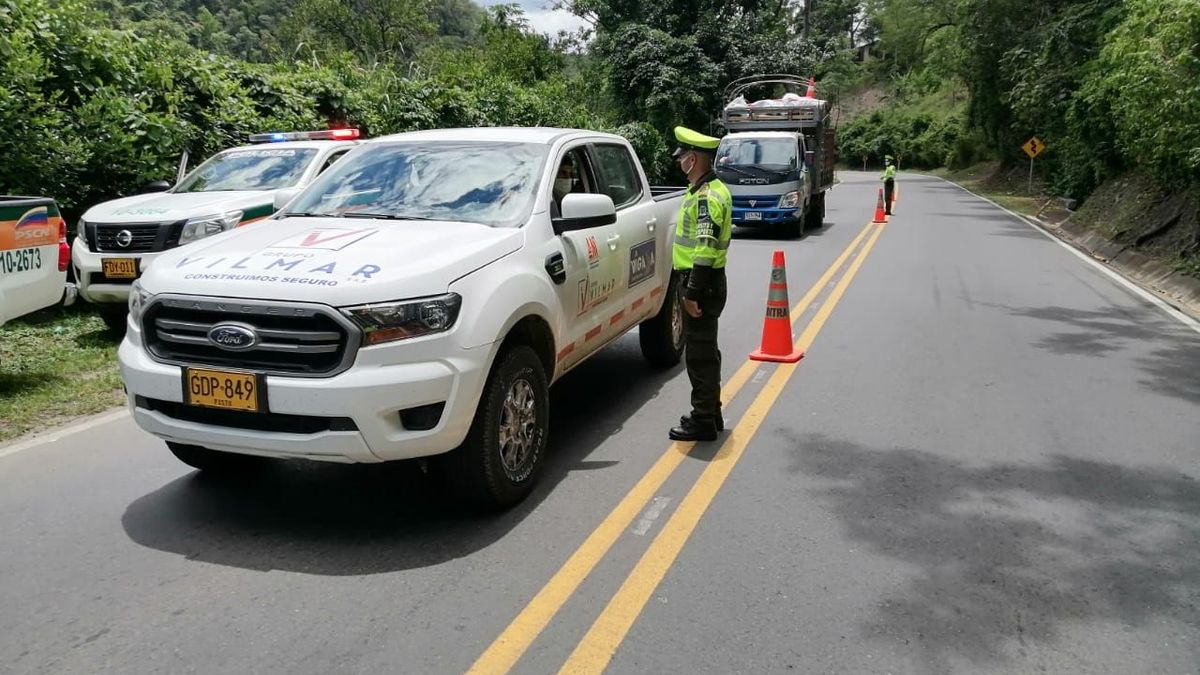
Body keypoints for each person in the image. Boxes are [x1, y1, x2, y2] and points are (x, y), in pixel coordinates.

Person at [669, 126, 733, 442]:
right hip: (708, 284)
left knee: (699, 356)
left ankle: (703, 420)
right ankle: (713, 411)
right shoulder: (708, 190)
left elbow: (705, 249)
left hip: (702, 286)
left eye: (682, 157)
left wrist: (691, 292)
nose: (679, 162)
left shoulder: (706, 198)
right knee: (707, 351)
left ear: (693, 159)